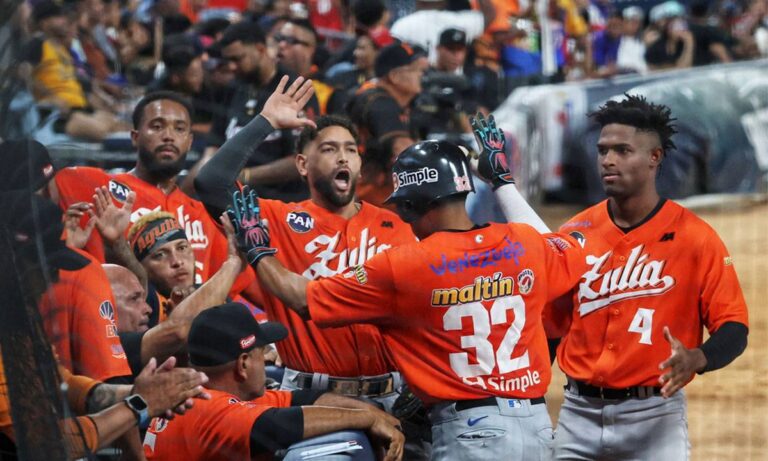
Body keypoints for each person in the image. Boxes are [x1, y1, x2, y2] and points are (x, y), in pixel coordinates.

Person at [224, 134, 589, 459]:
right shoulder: (524, 242)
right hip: (537, 424)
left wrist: (258, 253)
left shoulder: (407, 265)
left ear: (411, 204)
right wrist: (502, 182)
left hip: (469, 429)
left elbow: (305, 299)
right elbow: (573, 252)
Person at [194, 76, 430, 458]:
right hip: (318, 400)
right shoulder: (275, 221)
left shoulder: (398, 225)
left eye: (351, 150)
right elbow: (210, 182)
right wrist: (266, 121)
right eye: (329, 149)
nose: (343, 157)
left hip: (394, 395)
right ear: (302, 164)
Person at [536, 95, 748, 459]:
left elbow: (734, 327)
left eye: (622, 150)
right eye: (603, 150)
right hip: (577, 415)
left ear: (655, 157)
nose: (608, 160)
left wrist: (697, 358)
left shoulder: (695, 237)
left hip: (655, 418)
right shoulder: (575, 233)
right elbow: (550, 330)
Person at [0, 194, 210, 458]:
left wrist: (135, 392)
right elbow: (43, 442)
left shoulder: (19, 317)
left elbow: (61, 382)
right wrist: (138, 404)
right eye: (48, 268)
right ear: (14, 261)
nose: (52, 280)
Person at [143, 302, 405, 460]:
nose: (266, 360)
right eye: (261, 353)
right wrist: (369, 420)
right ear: (244, 364)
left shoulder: (205, 393)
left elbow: (302, 400)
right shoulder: (208, 409)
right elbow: (280, 426)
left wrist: (376, 413)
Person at [196, 21, 319, 202]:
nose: (231, 66)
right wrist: (207, 170)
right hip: (234, 199)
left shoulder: (291, 89)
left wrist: (244, 176)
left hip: (283, 202)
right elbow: (214, 142)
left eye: (237, 59)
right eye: (228, 60)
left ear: (260, 49)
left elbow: (301, 160)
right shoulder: (233, 88)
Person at [347, 42, 423, 206]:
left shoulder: (389, 99)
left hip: (375, 195)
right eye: (415, 70)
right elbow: (403, 149)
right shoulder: (378, 101)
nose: (420, 75)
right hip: (368, 197)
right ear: (395, 76)